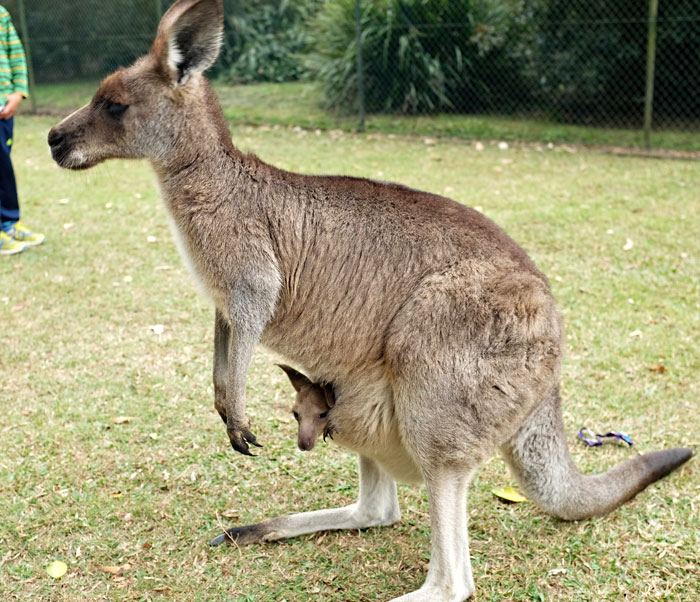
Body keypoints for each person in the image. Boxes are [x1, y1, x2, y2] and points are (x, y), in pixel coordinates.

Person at [0, 5, 43, 256]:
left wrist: (17, 92)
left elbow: (16, 53)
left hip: (4, 110)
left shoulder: (2, 14)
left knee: (3, 167)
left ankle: (9, 222)